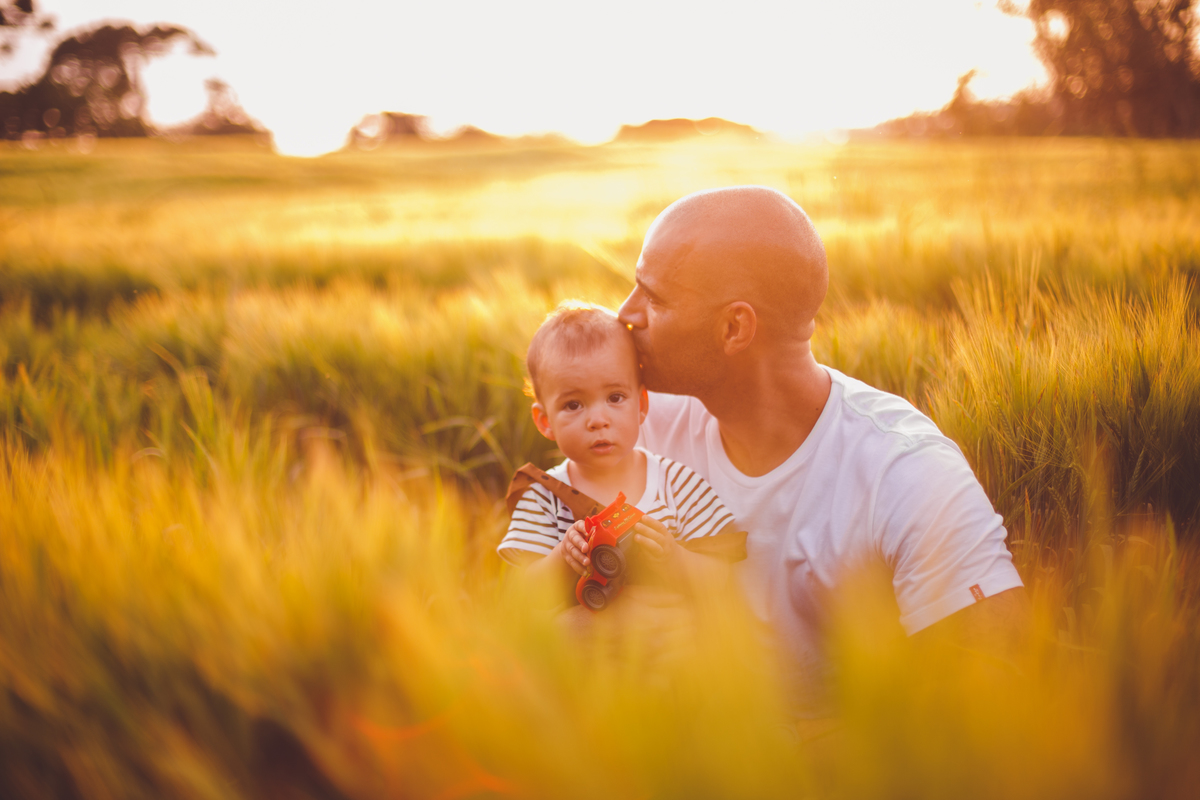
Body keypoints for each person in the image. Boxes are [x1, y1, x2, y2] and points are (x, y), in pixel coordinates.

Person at [613, 185, 1030, 713]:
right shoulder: (639, 425)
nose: (624, 314)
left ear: (734, 327)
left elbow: (995, 690)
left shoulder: (906, 473)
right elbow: (543, 607)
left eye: (653, 298)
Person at [497, 301, 745, 599]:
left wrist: (673, 557)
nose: (598, 420)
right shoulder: (542, 497)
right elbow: (518, 597)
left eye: (615, 397)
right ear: (545, 421)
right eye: (573, 404)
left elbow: (724, 579)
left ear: (641, 405)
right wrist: (563, 557)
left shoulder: (678, 484)